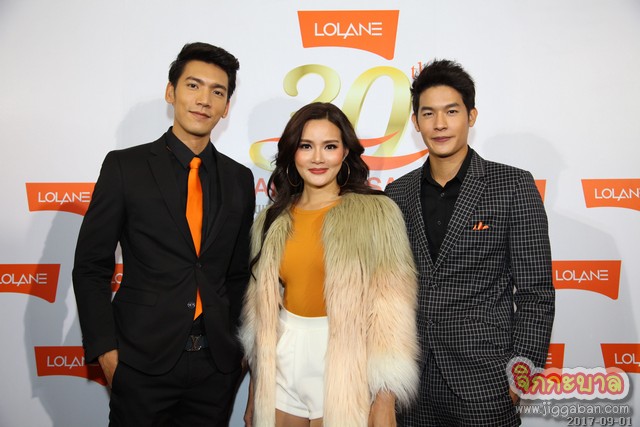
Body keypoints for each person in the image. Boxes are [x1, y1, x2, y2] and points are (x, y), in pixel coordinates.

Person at [72, 42, 255, 426]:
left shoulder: (239, 178)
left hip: (215, 369)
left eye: (217, 92)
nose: (204, 100)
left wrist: (237, 348)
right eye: (193, 85)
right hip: (140, 364)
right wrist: (105, 351)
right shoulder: (125, 167)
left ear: (226, 107)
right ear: (171, 92)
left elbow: (238, 273)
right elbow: (91, 265)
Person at [385, 59, 555, 426]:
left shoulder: (512, 186)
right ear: (415, 122)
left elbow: (536, 293)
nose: (439, 124)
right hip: (412, 383)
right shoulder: (397, 193)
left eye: (451, 111)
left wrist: (519, 377)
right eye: (428, 113)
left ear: (471, 116)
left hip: (485, 380)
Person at [240, 102, 419, 427]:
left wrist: (385, 397)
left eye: (330, 146)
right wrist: (255, 389)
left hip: (347, 365)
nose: (318, 158)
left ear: (345, 152)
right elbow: (260, 314)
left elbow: (391, 314)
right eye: (306, 146)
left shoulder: (377, 215)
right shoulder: (270, 220)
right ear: (293, 152)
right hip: (281, 363)